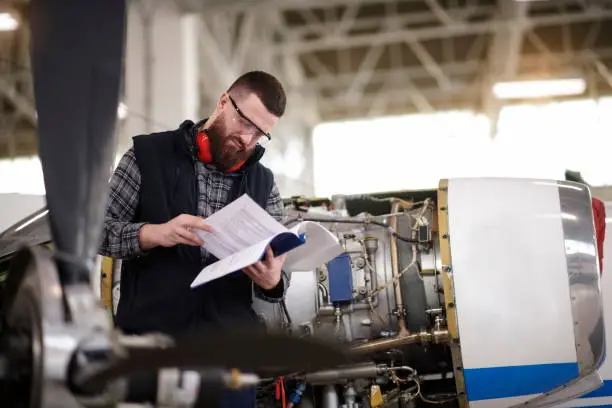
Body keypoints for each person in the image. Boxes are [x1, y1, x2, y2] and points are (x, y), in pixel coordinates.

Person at [99, 71, 290, 406]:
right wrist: (153, 233)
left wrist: (273, 281)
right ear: (223, 102)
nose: (248, 139)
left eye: (261, 133)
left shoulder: (264, 185)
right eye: (245, 122)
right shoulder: (146, 156)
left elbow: (277, 280)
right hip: (151, 355)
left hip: (229, 366)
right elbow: (98, 232)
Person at [565, 170, 606, 274]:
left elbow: (598, 243)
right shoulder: (595, 204)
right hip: (576, 266)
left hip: (585, 268)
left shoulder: (595, 205)